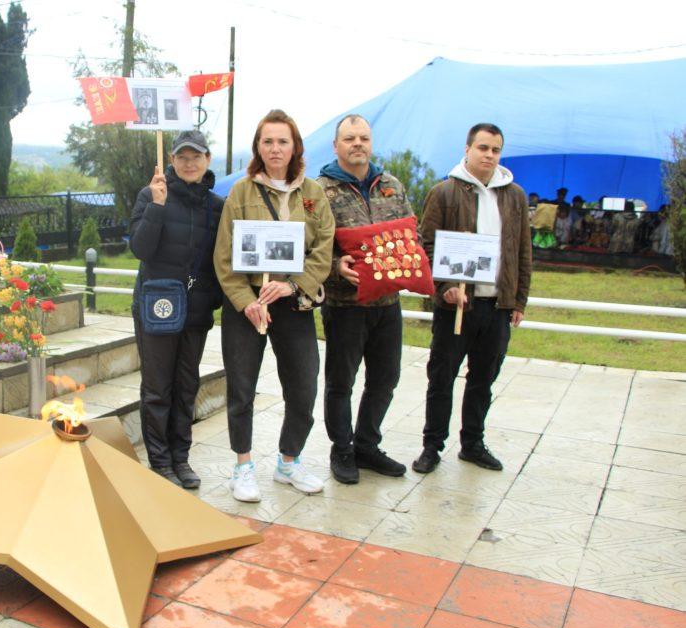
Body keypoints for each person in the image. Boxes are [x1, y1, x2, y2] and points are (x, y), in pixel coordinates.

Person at [213, 110, 335, 502]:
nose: (275, 148)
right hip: (248, 306)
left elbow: (323, 249)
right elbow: (224, 257)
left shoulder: (313, 194)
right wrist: (246, 302)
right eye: (268, 141)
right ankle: (243, 466)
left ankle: (289, 461)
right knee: (242, 387)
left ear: (295, 146)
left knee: (303, 385)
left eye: (283, 141)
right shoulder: (241, 192)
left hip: (292, 303)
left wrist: (293, 286)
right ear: (258, 147)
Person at [413, 123, 531, 474]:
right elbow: (426, 245)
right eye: (483, 148)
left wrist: (519, 300)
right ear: (467, 149)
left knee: (483, 380)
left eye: (495, 150)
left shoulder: (514, 196)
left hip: (497, 306)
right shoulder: (444, 193)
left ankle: (473, 444)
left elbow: (522, 251)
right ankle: (432, 445)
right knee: (442, 378)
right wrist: (444, 287)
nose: (489, 155)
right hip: (457, 306)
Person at [317, 115, 412, 484]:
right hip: (345, 306)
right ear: (336, 146)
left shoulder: (392, 186)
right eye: (349, 138)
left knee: (386, 379)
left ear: (371, 143)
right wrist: (334, 266)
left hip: (387, 304)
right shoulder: (319, 191)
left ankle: (367, 445)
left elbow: (410, 234)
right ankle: (342, 448)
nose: (357, 144)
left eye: (364, 138)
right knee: (341, 383)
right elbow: (308, 246)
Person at [129, 130, 225, 488]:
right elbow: (140, 249)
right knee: (157, 388)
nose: (189, 163)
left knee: (186, 387)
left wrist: (214, 299)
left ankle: (180, 458)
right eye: (182, 157)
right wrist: (156, 206)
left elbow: (221, 260)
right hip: (157, 307)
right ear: (171, 160)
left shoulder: (217, 206)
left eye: (195, 156)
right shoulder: (151, 195)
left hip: (196, 311)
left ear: (207, 159)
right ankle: (160, 461)